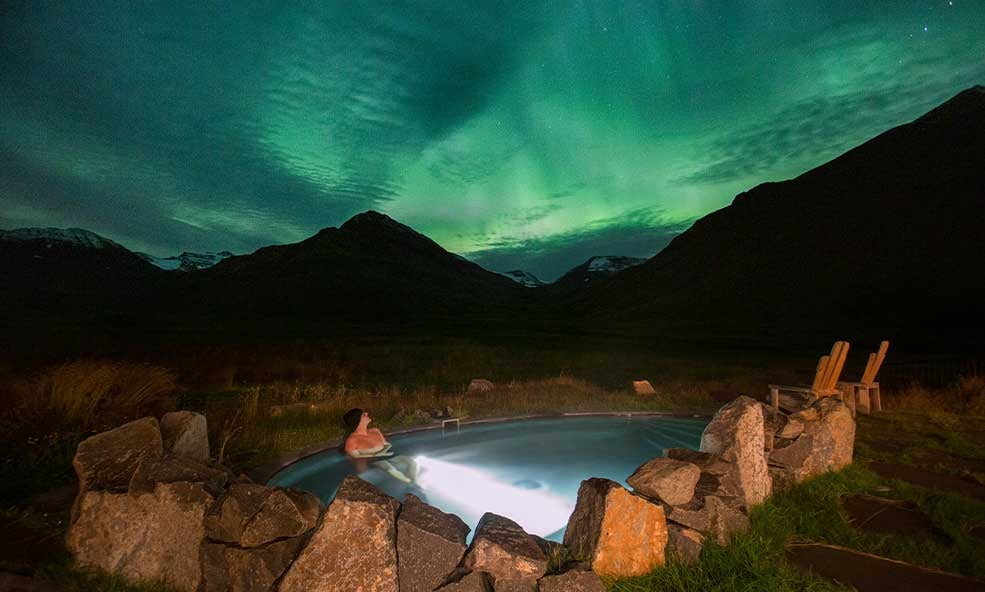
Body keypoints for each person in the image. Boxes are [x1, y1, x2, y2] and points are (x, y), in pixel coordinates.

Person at [342, 408, 416, 484]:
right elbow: (355, 457)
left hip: (386, 454)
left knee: (411, 462)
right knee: (390, 469)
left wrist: (385, 451)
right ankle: (409, 482)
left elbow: (386, 444)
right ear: (357, 420)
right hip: (372, 460)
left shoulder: (375, 431)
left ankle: (413, 482)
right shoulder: (351, 440)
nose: (367, 413)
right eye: (363, 414)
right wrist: (377, 455)